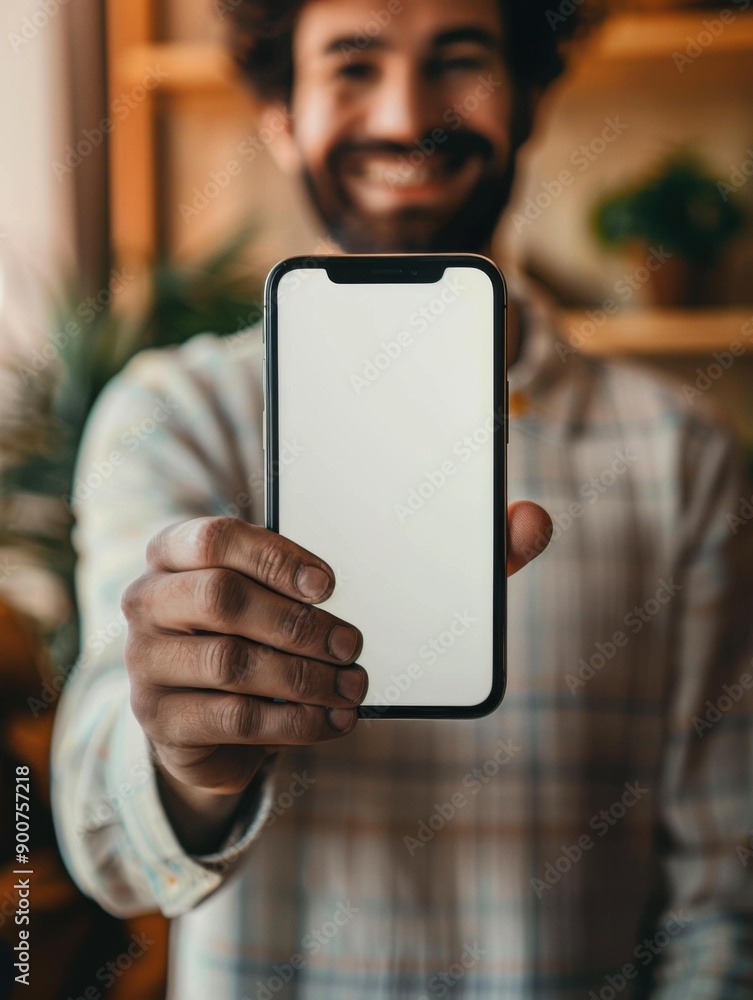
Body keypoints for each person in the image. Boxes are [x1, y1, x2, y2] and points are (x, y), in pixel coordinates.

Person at [51, 0, 753, 996]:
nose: (403, 113)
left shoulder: (684, 461)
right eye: (351, 64)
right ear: (281, 114)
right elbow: (105, 842)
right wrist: (181, 759)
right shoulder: (175, 416)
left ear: (530, 98)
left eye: (459, 59)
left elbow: (722, 893)